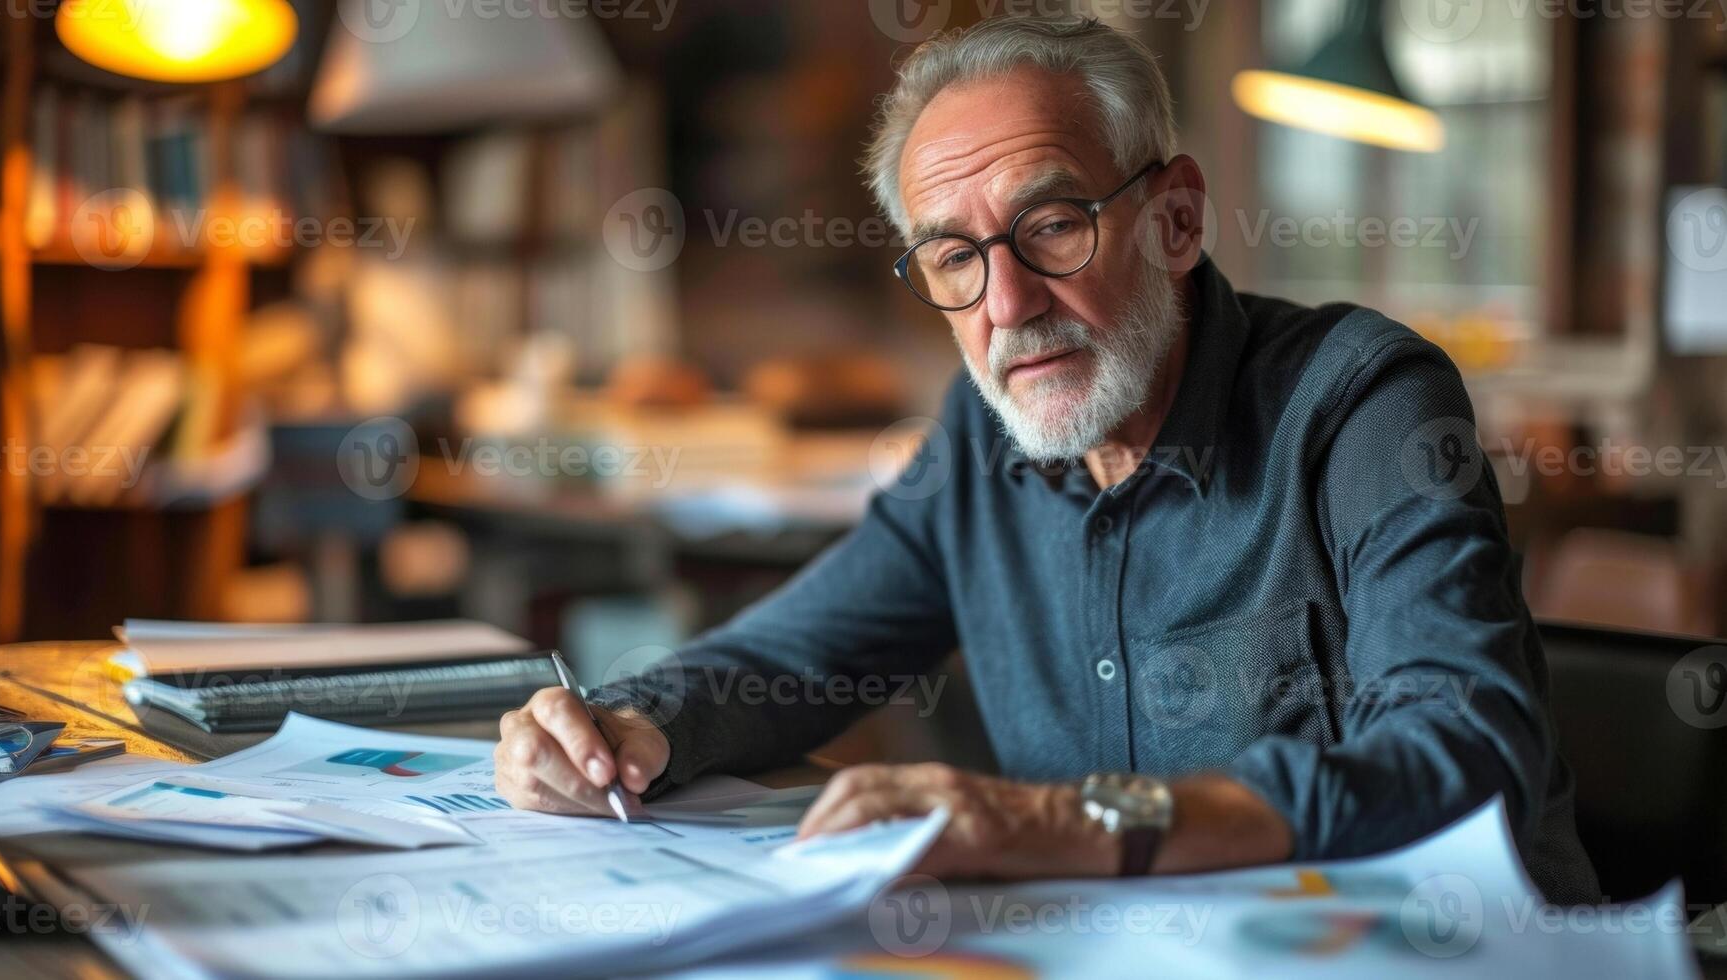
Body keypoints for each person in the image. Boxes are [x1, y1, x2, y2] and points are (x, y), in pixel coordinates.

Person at [494, 15, 1599, 903]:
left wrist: (1061, 822)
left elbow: (1466, 752)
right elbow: (799, 651)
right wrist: (627, 723)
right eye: (954, 258)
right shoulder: (981, 437)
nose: (1009, 304)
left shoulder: (1363, 402)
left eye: (1054, 225)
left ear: (1174, 221)